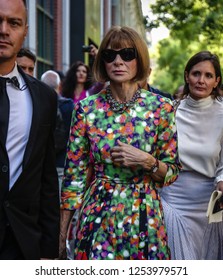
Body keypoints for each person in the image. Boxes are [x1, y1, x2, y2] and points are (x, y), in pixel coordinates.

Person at [59, 25, 180, 260]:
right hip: (98, 215)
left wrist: (147, 161)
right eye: (109, 55)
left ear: (140, 60)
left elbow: (172, 173)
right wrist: (61, 236)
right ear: (102, 61)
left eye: (127, 54)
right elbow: (74, 178)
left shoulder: (161, 108)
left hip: (145, 215)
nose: (118, 61)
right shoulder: (86, 109)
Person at [0, 0, 60, 259]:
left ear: (25, 30)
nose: (4, 30)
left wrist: (48, 249)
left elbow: (46, 176)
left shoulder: (43, 97)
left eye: (13, 23)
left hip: (22, 241)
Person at [160, 51, 223, 260]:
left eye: (208, 75)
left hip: (210, 204)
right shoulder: (170, 112)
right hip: (173, 198)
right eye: (196, 74)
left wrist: (222, 179)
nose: (201, 80)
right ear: (187, 76)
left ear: (216, 81)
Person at [40, 70, 73, 191]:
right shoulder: (68, 105)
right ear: (59, 86)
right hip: (61, 160)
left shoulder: (36, 103)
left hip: (40, 161)